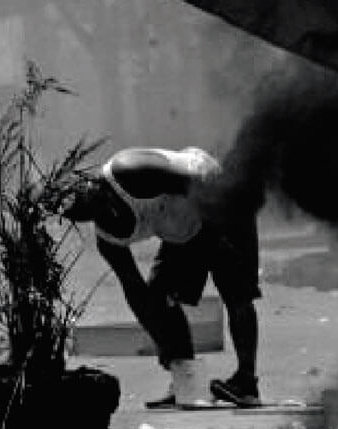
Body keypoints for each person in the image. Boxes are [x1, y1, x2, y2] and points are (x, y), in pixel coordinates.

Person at [62, 146, 265, 409]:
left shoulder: (130, 170)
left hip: (212, 195)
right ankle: (188, 383)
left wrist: (226, 230)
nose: (104, 212)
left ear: (94, 183)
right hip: (181, 229)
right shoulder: (108, 240)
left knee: (236, 290)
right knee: (158, 295)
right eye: (90, 214)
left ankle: (246, 382)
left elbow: (192, 181)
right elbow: (136, 292)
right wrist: (162, 340)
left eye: (99, 202)